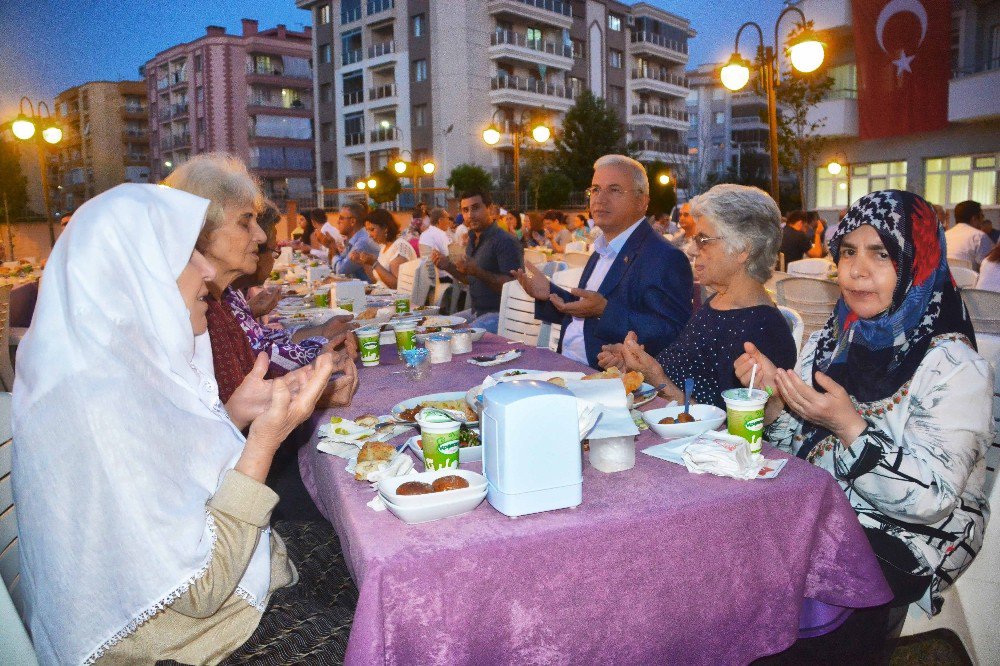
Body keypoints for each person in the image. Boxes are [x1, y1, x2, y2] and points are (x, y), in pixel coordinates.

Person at [12, 183, 360, 664]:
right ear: (134, 274)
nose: (208, 270)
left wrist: (236, 414)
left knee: (375, 564)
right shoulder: (96, 404)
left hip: (222, 599)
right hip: (188, 645)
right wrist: (263, 441)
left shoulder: (123, 368)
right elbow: (199, 590)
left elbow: (173, 477)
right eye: (188, 253)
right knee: (387, 634)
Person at [735, 190, 991, 661]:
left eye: (881, 253)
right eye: (848, 251)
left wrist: (850, 428)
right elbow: (791, 451)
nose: (856, 270)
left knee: (776, 622)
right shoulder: (836, 339)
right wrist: (774, 402)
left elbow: (930, 503)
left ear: (919, 261)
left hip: (903, 539)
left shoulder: (953, 367)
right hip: (820, 513)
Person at [164, 154, 354, 391]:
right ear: (202, 229)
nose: (261, 237)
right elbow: (232, 409)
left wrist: (321, 351)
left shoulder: (217, 301)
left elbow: (251, 380)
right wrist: (318, 355)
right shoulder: (197, 310)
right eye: (245, 222)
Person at [596, 184, 796, 407]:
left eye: (703, 240)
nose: (692, 250)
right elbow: (683, 368)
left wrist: (657, 380)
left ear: (743, 249)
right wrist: (637, 366)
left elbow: (734, 429)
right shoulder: (718, 303)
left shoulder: (763, 331)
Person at [514, 154, 693, 368]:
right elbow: (587, 309)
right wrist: (549, 294)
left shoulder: (665, 257)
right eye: (596, 189)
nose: (600, 198)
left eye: (614, 189)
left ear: (641, 201)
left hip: (609, 379)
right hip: (567, 364)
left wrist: (605, 312)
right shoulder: (602, 248)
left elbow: (672, 332)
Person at [430, 189, 523, 333]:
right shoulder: (473, 239)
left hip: (502, 316)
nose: (470, 215)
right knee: (435, 327)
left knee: (456, 336)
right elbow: (471, 279)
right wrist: (447, 266)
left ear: (490, 209)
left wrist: (477, 271)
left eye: (475, 208)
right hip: (476, 312)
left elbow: (513, 287)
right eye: (465, 210)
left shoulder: (505, 241)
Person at [351, 207, 417, 289]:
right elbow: (377, 280)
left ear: (385, 228)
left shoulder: (399, 247)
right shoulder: (384, 246)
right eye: (367, 230)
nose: (369, 235)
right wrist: (364, 262)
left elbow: (397, 286)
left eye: (372, 229)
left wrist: (375, 264)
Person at [332, 201, 380, 281]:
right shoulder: (353, 239)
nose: (338, 222)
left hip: (368, 291)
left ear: (353, 221)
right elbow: (341, 261)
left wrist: (333, 251)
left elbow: (341, 270)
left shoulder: (363, 242)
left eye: (341, 218)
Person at [945, 200, 992, 269]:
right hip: (968, 279)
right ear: (974, 218)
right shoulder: (979, 236)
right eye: (982, 216)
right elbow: (988, 268)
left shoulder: (944, 235)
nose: (983, 221)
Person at [420, 207, 454, 280]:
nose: (449, 221)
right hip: (443, 277)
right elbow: (450, 257)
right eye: (447, 218)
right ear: (440, 221)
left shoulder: (424, 234)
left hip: (428, 277)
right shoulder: (440, 234)